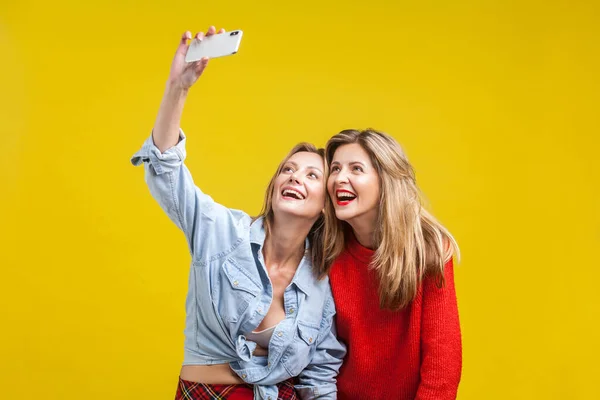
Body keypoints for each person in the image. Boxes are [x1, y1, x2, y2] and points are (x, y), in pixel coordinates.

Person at [130, 27, 346, 400]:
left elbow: (320, 378)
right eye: (289, 169)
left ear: (325, 204)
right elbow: (166, 169)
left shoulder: (321, 285)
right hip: (204, 392)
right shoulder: (221, 230)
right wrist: (178, 87)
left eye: (313, 175)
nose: (295, 177)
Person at [321, 129, 462, 400]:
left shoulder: (428, 249)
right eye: (335, 168)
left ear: (386, 181)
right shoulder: (327, 249)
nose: (339, 178)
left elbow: (442, 368)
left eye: (356, 169)